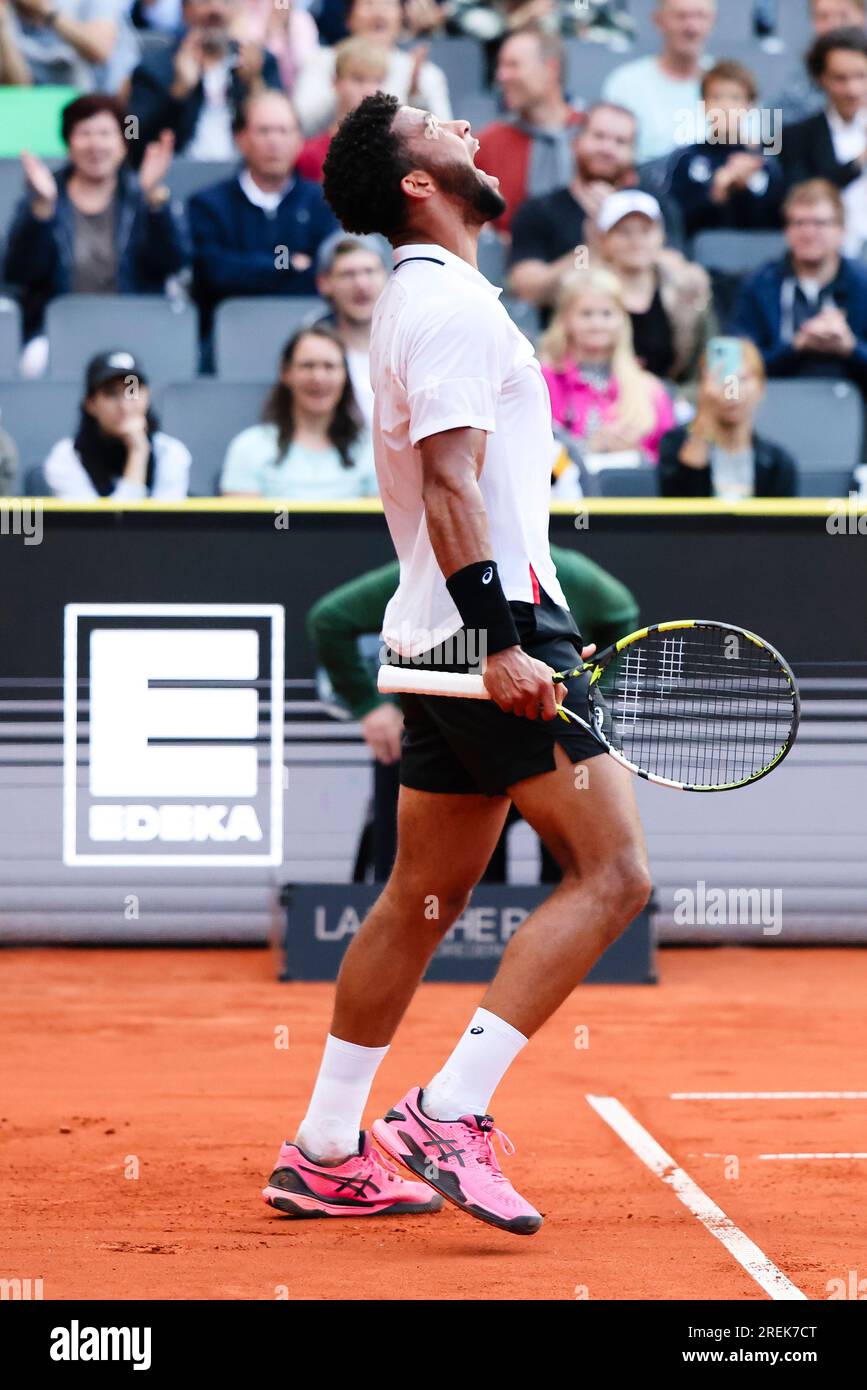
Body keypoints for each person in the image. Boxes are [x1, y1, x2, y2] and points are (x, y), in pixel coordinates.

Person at [258, 91, 652, 1232]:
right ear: (416, 184)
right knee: (614, 873)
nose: (467, 127)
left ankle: (330, 1146)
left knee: (421, 897)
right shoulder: (447, 309)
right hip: (492, 630)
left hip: (443, 633)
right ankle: (449, 1109)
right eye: (437, 124)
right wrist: (507, 644)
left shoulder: (438, 299)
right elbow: (450, 485)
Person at [307, 545, 640, 880]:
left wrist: (590, 685)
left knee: (587, 877)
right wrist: (370, 708)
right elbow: (329, 619)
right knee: (449, 887)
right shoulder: (429, 577)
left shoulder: (567, 573)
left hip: (544, 739)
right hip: (462, 744)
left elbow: (621, 614)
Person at [4, 94, 188, 344]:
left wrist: (154, 197)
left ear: (123, 143)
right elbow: (20, 272)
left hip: (134, 327)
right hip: (57, 330)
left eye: (105, 133)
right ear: (68, 142)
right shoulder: (44, 195)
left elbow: (174, 261)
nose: (95, 145)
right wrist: (42, 210)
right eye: (84, 133)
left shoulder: (140, 195)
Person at [187, 91, 339, 343]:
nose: (275, 141)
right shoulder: (209, 204)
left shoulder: (322, 203)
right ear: (240, 138)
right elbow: (214, 274)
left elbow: (327, 276)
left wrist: (247, 268)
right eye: (264, 131)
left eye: (284, 131)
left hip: (309, 337)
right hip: (227, 338)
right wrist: (287, 265)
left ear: (299, 139)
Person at [508, 102, 683, 311]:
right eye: (599, 136)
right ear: (576, 142)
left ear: (633, 153)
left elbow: (678, 271)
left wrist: (622, 236)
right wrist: (591, 248)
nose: (607, 149)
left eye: (620, 142)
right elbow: (528, 289)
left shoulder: (654, 206)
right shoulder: (540, 210)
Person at [730, 178, 867, 391]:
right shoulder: (760, 285)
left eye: (820, 223)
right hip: (774, 402)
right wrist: (797, 345)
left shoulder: (862, 284)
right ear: (787, 231)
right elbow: (736, 369)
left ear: (842, 232)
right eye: (799, 223)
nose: (808, 233)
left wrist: (850, 347)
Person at [219, 324, 377, 499]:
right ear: (285, 372)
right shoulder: (249, 447)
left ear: (345, 375)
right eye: (307, 366)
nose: (318, 378)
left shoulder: (372, 449)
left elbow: (380, 524)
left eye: (329, 366)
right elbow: (241, 525)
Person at [540, 268, 675, 464]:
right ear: (565, 320)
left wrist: (636, 452)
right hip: (564, 491)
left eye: (607, 314)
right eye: (586, 314)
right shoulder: (545, 380)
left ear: (622, 319)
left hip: (631, 490)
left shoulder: (649, 388)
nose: (597, 324)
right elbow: (537, 465)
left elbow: (666, 468)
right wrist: (588, 448)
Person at [127, 0, 282, 165]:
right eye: (204, 1)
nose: (215, 10)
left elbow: (283, 130)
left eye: (225, 2)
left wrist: (254, 84)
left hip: (244, 175)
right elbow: (133, 136)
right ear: (184, 10)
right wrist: (178, 93)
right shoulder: (153, 68)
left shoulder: (259, 63)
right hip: (178, 176)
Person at [596, 189, 715, 386]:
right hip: (601, 403)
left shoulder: (690, 290)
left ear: (661, 235)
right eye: (624, 232)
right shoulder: (586, 292)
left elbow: (709, 357)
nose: (636, 241)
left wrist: (682, 401)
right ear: (604, 239)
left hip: (675, 404)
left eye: (646, 230)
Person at [476, 23, 583, 235]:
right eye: (500, 66)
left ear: (550, 69)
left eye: (513, 65)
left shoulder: (594, 136)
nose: (501, 76)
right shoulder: (486, 145)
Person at [658, 338, 798, 497]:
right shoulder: (675, 446)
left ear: (760, 387)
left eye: (742, 379)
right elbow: (679, 506)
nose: (732, 391)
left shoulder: (777, 464)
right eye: (723, 379)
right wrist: (705, 412)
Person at [44, 350, 191, 499]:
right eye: (111, 394)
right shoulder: (67, 457)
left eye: (132, 391)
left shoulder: (170, 453)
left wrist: (140, 448)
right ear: (90, 404)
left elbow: (166, 521)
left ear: (147, 397)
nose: (124, 406)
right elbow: (100, 522)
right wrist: (137, 452)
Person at [293, 0, 451, 137]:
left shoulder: (424, 72)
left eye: (388, 3)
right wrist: (341, 88)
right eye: (368, 3)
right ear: (348, 18)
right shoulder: (323, 61)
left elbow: (444, 137)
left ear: (401, 16)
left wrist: (416, 98)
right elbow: (302, 124)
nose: (378, 13)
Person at [668, 60, 785, 238]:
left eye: (735, 98)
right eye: (716, 97)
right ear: (704, 105)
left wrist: (750, 185)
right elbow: (677, 221)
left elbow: (777, 222)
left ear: (750, 105)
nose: (725, 107)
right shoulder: (686, 159)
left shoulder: (765, 161)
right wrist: (717, 191)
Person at [780, 26, 867, 257]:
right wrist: (857, 163)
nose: (853, 89)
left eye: (861, 76)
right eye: (841, 78)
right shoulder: (796, 136)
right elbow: (800, 196)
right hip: (825, 259)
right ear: (822, 79)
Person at [602, 0, 717, 166]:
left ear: (713, 21)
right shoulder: (626, 85)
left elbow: (749, 150)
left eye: (700, 16)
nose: (691, 27)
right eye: (681, 16)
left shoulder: (732, 86)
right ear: (658, 20)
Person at [315, 233, 390, 427]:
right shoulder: (312, 351)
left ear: (387, 277)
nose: (361, 284)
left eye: (370, 271)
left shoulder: (413, 342)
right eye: (347, 274)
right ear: (324, 283)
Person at [296, 36, 389, 183]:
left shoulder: (393, 153)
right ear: (335, 82)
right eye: (358, 79)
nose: (370, 90)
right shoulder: (310, 154)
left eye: (377, 80)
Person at [6, 0, 139, 91]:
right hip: (35, 102)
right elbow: (17, 90)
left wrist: (46, 11)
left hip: (98, 99)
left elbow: (100, 50)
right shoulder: (8, 8)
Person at [772, 0, 866, 128]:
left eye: (843, 15)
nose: (833, 25)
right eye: (823, 17)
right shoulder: (801, 77)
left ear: (861, 16)